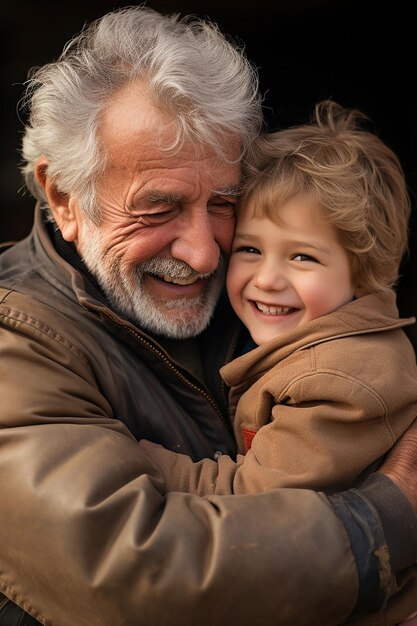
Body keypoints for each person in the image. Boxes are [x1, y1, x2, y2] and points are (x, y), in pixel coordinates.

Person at [0, 6, 416, 626]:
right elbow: (132, 575)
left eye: (223, 203)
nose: (202, 253)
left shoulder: (267, 299)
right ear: (63, 196)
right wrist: (390, 518)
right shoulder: (17, 338)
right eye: (159, 206)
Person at [139, 99, 417, 624]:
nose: (267, 278)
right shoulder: (293, 338)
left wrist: (131, 456)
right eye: (249, 249)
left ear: (364, 274)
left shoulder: (342, 379)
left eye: (302, 256)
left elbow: (253, 499)